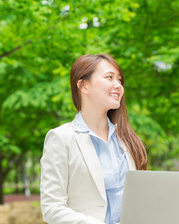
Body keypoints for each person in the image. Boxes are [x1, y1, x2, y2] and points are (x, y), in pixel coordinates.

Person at [40, 54, 148, 224]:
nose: (118, 85)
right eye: (109, 77)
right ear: (84, 86)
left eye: (120, 80)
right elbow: (52, 208)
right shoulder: (61, 138)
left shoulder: (126, 140)